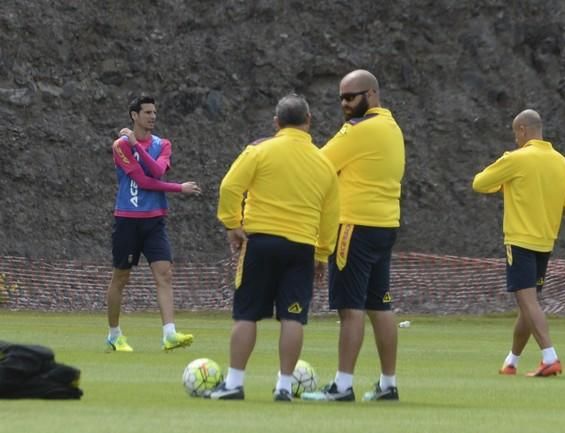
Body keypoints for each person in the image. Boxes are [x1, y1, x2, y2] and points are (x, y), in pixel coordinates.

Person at [211, 94, 339, 402]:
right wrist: (322, 253)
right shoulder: (324, 162)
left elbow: (230, 186)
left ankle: (234, 383)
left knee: (247, 314)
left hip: (261, 243)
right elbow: (331, 213)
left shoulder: (259, 151)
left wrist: (232, 224)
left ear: (276, 123)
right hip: (301, 248)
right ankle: (283, 387)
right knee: (293, 317)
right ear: (309, 122)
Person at [302, 70, 405, 402]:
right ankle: (388, 384)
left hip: (353, 228)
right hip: (385, 225)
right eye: (341, 98)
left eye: (351, 97)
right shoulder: (391, 127)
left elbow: (318, 165)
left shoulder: (358, 130)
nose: (345, 104)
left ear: (372, 94)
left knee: (351, 309)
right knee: (381, 305)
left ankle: (342, 386)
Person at [472, 109, 565, 377]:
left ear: (523, 130)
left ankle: (550, 356)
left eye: (516, 134)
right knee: (528, 305)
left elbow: (479, 183)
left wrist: (502, 185)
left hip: (520, 241)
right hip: (545, 243)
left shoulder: (516, 159)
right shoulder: (563, 164)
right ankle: (511, 361)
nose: (515, 140)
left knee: (528, 303)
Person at [106, 95, 201, 353]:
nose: (152, 117)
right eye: (147, 112)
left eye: (154, 112)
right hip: (128, 219)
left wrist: (139, 146)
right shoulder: (120, 146)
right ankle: (114, 335)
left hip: (155, 221)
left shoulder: (163, 144)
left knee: (165, 274)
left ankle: (169, 334)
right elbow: (143, 181)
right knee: (121, 277)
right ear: (134, 115)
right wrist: (179, 188)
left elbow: (157, 172)